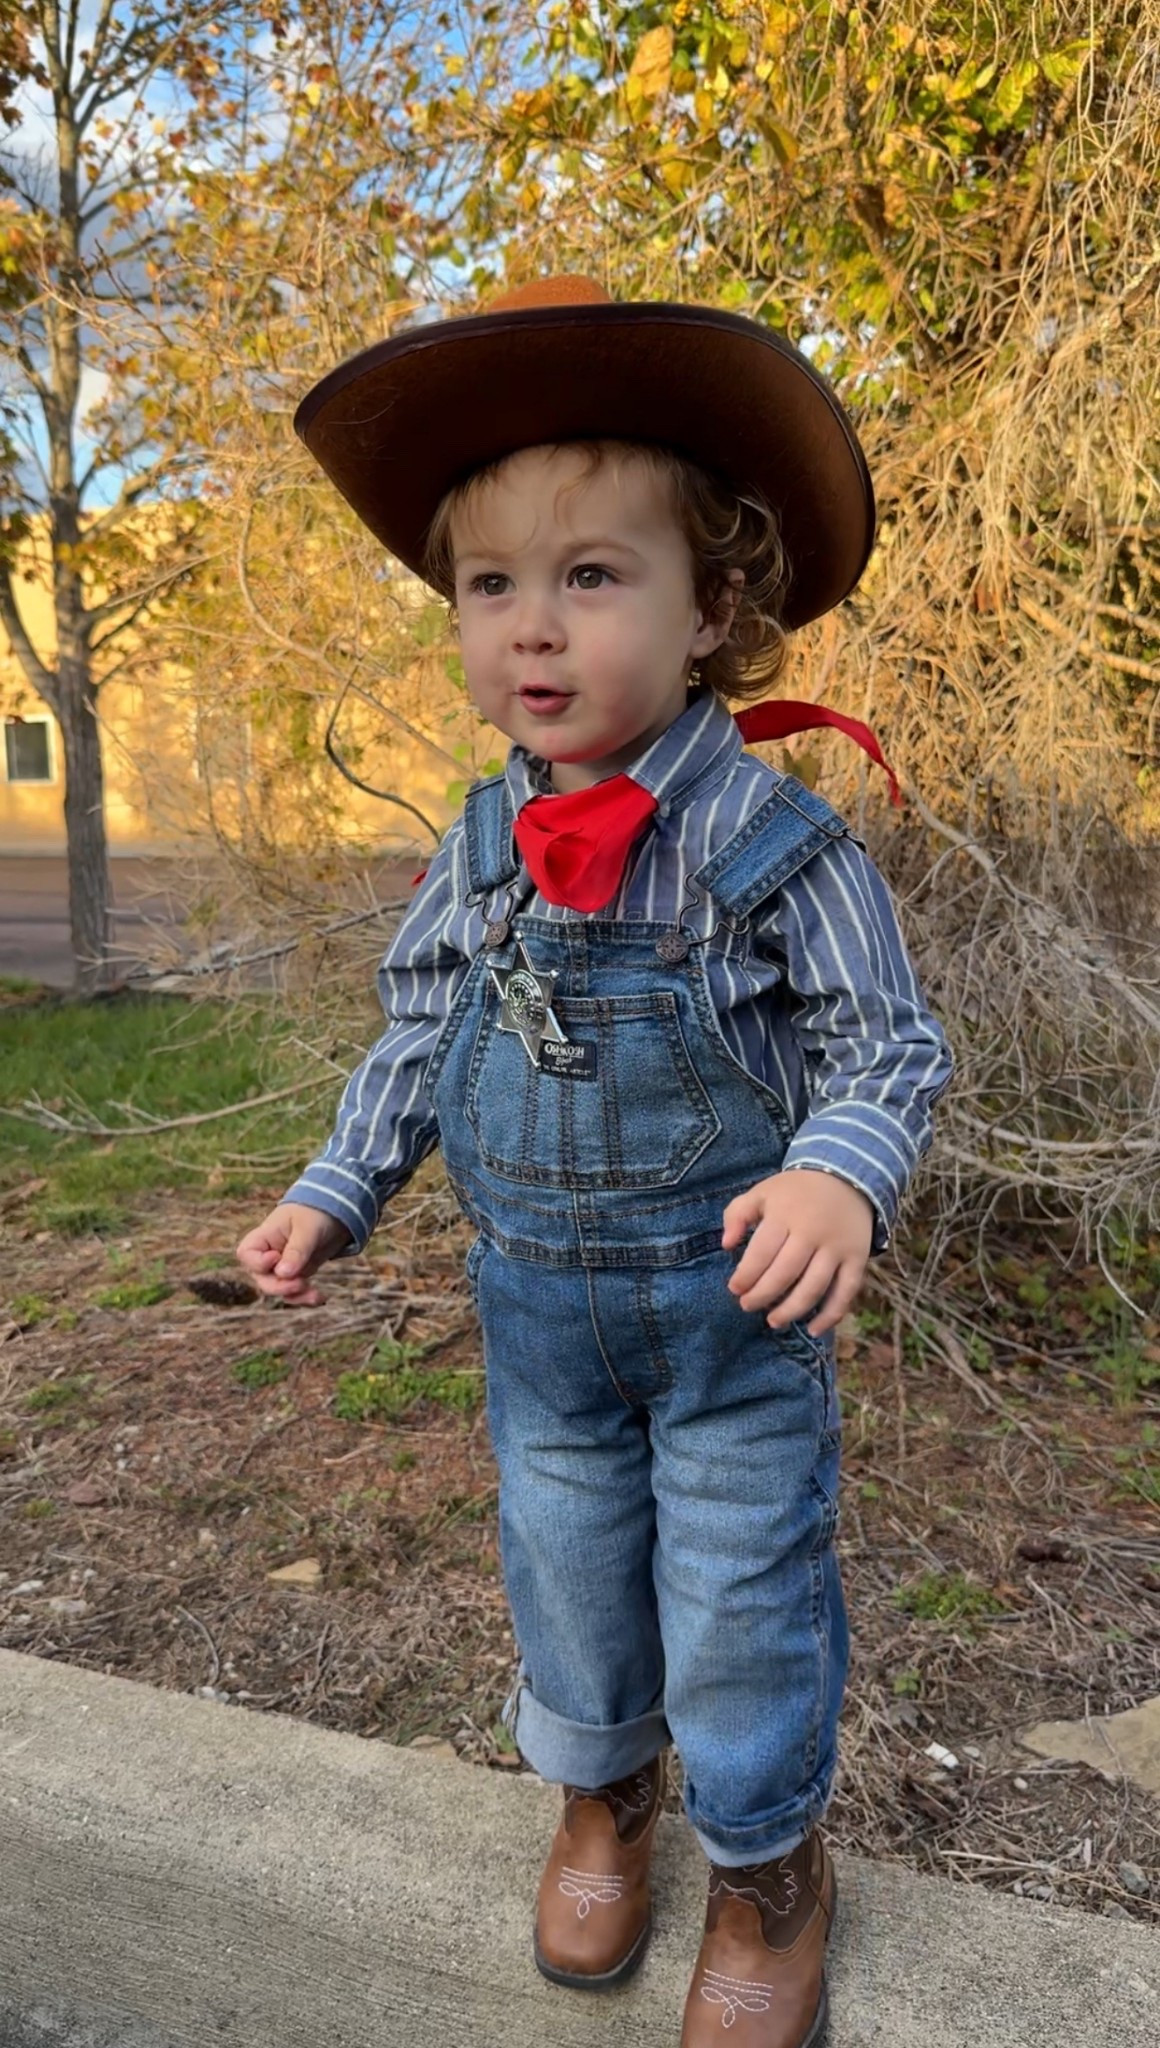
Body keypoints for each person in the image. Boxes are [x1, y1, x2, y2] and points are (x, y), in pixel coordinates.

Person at [237, 276, 952, 2048]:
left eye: (591, 577)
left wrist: (838, 1173)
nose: (532, 632)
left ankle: (771, 1866)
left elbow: (889, 1044)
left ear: (714, 608)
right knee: (563, 1564)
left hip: (730, 1327)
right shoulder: (481, 839)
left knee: (739, 1598)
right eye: (491, 586)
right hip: (540, 1325)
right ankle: (603, 1795)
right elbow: (424, 1032)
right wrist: (338, 1186)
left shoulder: (775, 845)